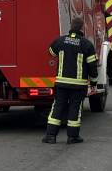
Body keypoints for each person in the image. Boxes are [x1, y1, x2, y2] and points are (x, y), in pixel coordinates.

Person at [42, 17, 98, 145]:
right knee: (75, 108)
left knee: (58, 106)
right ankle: (72, 137)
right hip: (78, 85)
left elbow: (51, 52)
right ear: (81, 27)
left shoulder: (60, 41)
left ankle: (50, 136)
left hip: (61, 83)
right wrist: (93, 82)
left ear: (71, 26)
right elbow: (92, 67)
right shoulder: (86, 44)